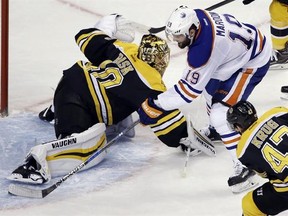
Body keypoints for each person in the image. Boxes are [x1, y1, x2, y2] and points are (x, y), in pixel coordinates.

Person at [8, 14, 214, 185]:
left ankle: (54, 110)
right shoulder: (150, 84)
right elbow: (162, 119)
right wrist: (185, 138)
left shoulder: (124, 48)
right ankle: (35, 162)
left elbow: (84, 37)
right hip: (81, 105)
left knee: (116, 109)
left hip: (68, 82)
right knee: (91, 147)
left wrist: (109, 23)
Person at [137, 5, 272, 193]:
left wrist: (156, 105)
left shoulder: (204, 50)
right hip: (233, 54)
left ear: (192, 31)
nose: (176, 40)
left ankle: (246, 166)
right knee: (209, 92)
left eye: (179, 36)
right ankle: (219, 131)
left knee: (221, 112)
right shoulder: (198, 18)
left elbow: (187, 92)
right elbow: (196, 84)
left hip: (252, 61)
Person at [226, 101, 288, 216]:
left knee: (249, 204)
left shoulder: (242, 149)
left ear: (237, 125)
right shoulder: (277, 112)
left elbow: (265, 174)